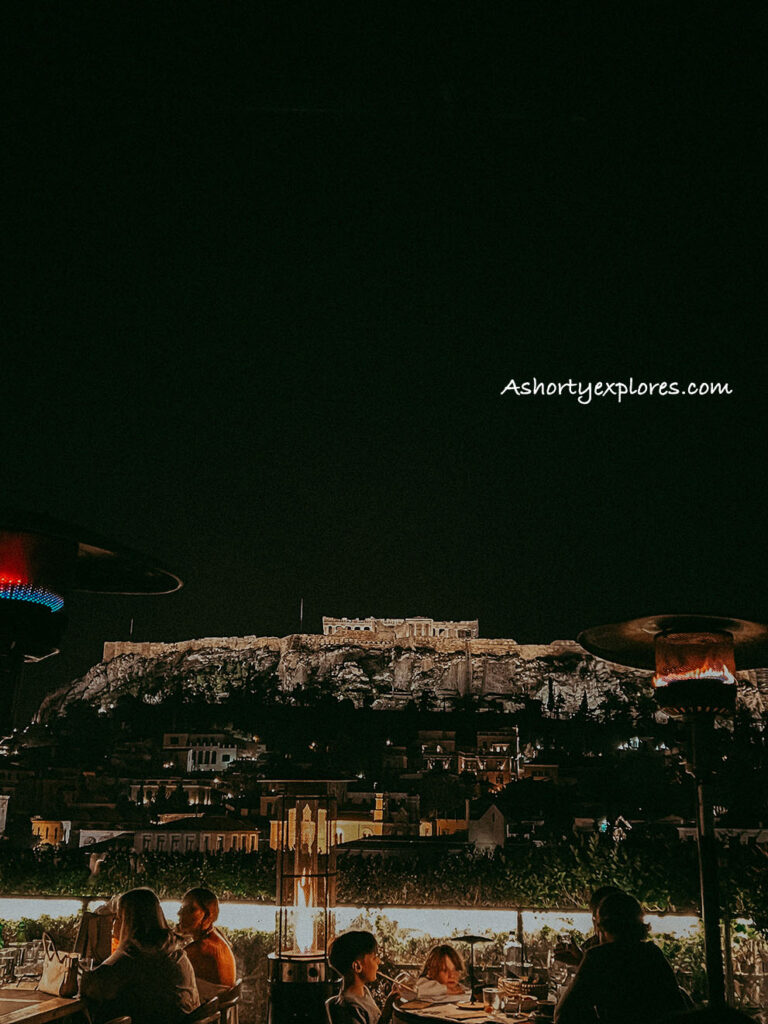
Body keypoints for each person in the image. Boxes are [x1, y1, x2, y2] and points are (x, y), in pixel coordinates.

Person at [554, 892, 686, 1024]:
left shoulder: (598, 957)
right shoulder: (652, 954)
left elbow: (563, 1016)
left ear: (601, 926)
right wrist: (581, 962)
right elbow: (677, 1008)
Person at [81, 887, 200, 1024]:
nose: (114, 925)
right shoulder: (175, 951)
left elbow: (90, 988)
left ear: (129, 920)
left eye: (118, 918)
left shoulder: (133, 957)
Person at [327, 930, 398, 1024]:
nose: (379, 961)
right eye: (374, 958)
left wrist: (388, 1006)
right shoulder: (350, 1008)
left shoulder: (363, 991)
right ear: (357, 966)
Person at [177, 886, 237, 994]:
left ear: (207, 916)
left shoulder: (201, 948)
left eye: (191, 910)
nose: (180, 913)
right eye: (182, 908)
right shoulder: (216, 936)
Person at [553, 885, 624, 967]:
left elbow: (611, 975)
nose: (595, 922)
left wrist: (582, 961)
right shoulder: (590, 945)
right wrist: (579, 960)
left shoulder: (630, 952)